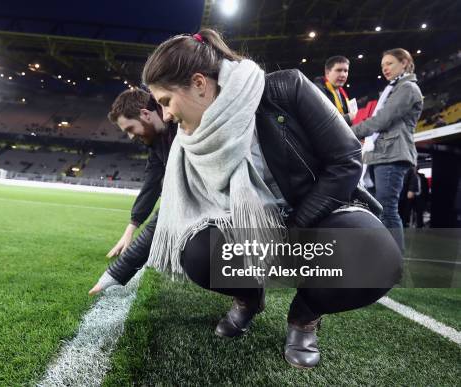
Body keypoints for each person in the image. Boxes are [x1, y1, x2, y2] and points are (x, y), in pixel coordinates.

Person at [138, 29, 400, 369]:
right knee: (197, 250)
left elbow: (347, 159)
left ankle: (305, 315)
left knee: (378, 260)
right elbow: (170, 214)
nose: (166, 115)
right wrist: (118, 270)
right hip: (255, 232)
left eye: (165, 101)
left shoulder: (286, 88)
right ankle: (249, 297)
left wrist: (295, 228)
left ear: (199, 83)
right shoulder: (190, 139)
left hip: (317, 217)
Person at [88, 89, 175, 295]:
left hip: (237, 203)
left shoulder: (184, 128)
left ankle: (248, 295)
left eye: (129, 128)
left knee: (196, 255)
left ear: (146, 114)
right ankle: (248, 295)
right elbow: (151, 185)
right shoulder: (157, 144)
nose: (129, 136)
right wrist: (131, 226)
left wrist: (120, 270)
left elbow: (171, 209)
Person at [351, 48, 423, 252]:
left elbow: (382, 120)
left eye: (390, 63)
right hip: (379, 154)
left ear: (405, 63)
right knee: (376, 209)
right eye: (383, 65)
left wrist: (349, 131)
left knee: (387, 209)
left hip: (392, 155)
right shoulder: (393, 89)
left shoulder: (407, 88)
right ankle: (380, 255)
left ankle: (394, 261)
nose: (385, 68)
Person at [313, 56, 356, 125]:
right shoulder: (318, 91)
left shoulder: (341, 91)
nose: (343, 74)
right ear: (327, 72)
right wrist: (348, 117)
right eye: (338, 70)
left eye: (346, 71)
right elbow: (324, 122)